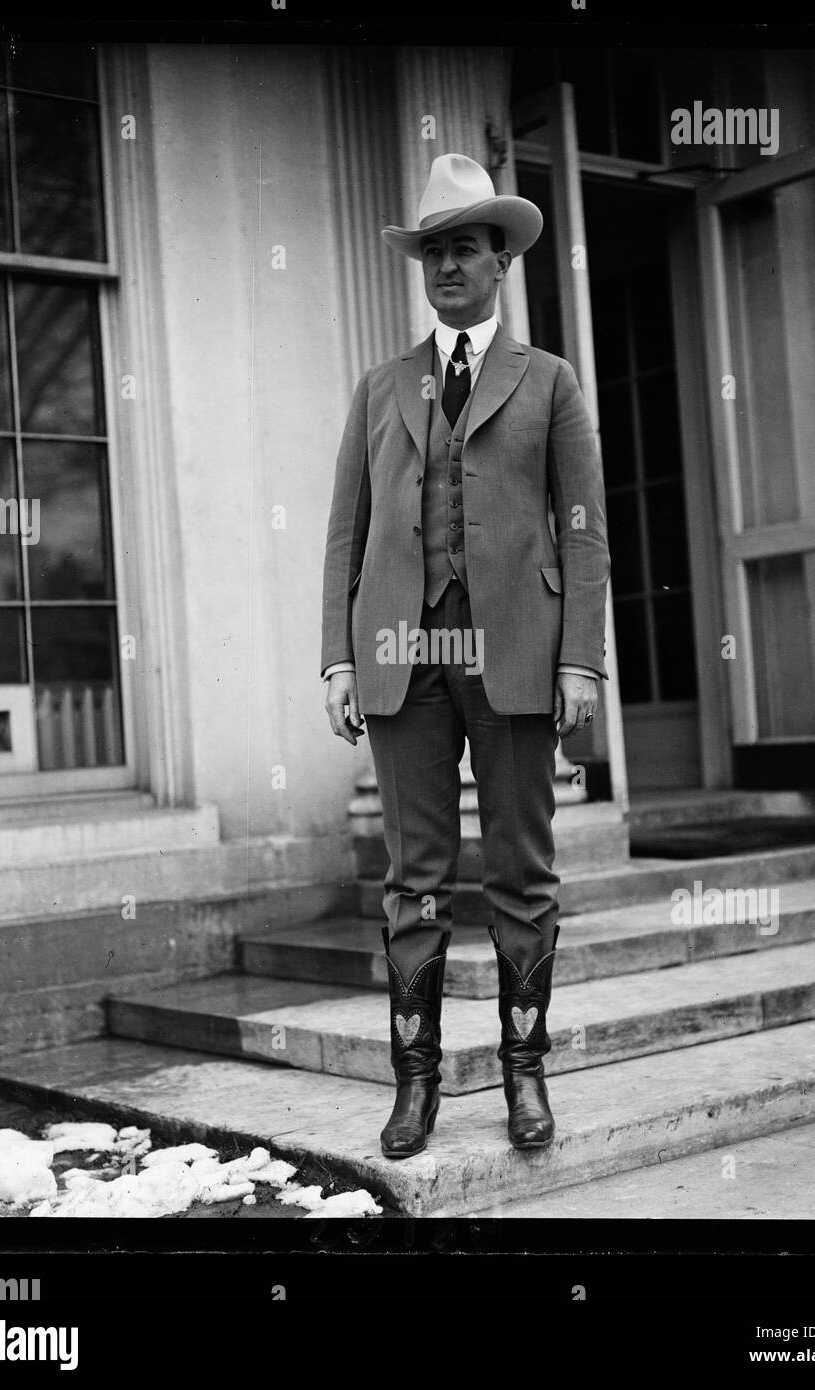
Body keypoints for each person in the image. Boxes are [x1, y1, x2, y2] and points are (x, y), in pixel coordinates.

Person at [321, 153, 610, 1159]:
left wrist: (580, 659)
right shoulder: (380, 387)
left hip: (517, 653)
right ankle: (416, 1084)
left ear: (499, 262)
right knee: (414, 877)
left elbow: (581, 530)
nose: (446, 265)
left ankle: (524, 1076)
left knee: (522, 873)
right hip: (402, 651)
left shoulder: (549, 382)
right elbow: (343, 536)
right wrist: (336, 659)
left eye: (465, 248)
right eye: (433, 249)